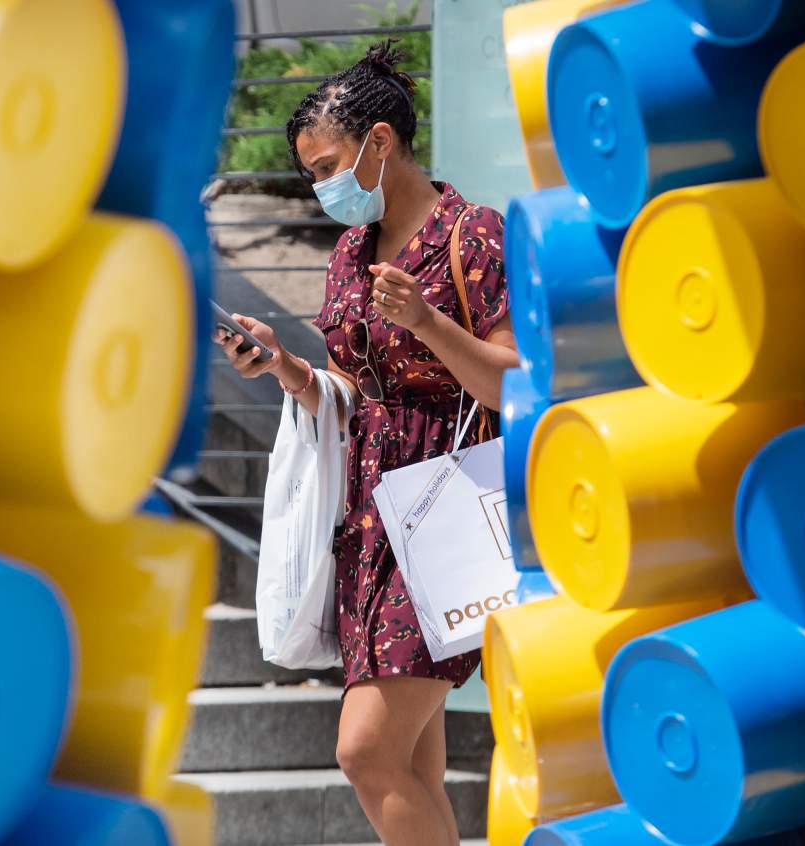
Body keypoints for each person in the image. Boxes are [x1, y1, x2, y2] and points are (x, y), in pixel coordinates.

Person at [215, 41, 518, 846]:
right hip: (369, 516)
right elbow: (355, 389)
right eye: (311, 174)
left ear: (380, 142)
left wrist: (428, 321)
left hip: (449, 508)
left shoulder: (471, 235)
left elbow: (511, 386)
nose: (321, 189)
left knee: (364, 748)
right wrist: (287, 368)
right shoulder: (351, 252)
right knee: (411, 766)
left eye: (327, 166)